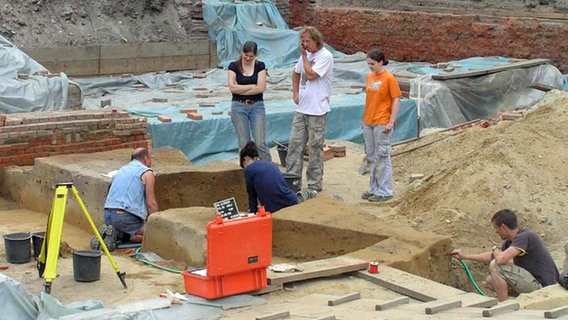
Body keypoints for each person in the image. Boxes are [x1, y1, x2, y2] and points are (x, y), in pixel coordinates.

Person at [450, 209, 559, 301]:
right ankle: (514, 301)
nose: (496, 232)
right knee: (490, 281)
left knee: (496, 266)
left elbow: (500, 259)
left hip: (544, 286)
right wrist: (465, 257)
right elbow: (492, 256)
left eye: (496, 228)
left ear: (503, 227)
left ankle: (504, 306)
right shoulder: (511, 242)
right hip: (533, 282)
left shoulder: (525, 236)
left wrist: (495, 248)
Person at [286, 26, 333, 194]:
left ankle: (314, 184)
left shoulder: (325, 56)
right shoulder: (304, 56)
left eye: (308, 41)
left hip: (317, 109)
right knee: (295, 145)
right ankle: (292, 181)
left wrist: (305, 57)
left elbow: (312, 74)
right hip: (302, 108)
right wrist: (296, 91)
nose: (305, 44)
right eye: (303, 41)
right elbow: (296, 72)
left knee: (315, 148)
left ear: (316, 40)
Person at [91, 147, 158, 251]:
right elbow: (151, 204)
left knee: (131, 230)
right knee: (154, 235)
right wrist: (156, 223)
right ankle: (122, 236)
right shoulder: (147, 173)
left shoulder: (121, 170)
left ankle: (114, 235)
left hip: (108, 214)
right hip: (125, 216)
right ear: (145, 159)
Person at [361, 49, 401, 203]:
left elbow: (396, 99)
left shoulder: (389, 78)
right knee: (371, 156)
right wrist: (364, 119)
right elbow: (370, 99)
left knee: (382, 156)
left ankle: (385, 191)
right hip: (369, 121)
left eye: (372, 64)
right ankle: (374, 189)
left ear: (381, 62)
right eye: (368, 64)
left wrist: (391, 121)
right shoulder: (370, 77)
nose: (370, 66)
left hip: (382, 122)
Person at [228, 40, 272, 162]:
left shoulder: (260, 66)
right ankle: (246, 171)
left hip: (257, 106)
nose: (248, 58)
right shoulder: (233, 66)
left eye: (251, 56)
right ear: (242, 53)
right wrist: (253, 86)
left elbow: (261, 88)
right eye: (246, 55)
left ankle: (268, 170)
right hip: (238, 106)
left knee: (260, 142)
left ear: (255, 56)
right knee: (243, 143)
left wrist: (240, 88)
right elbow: (232, 88)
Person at [240, 141, 298, 214]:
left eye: (244, 165)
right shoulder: (271, 164)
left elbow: (252, 197)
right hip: (291, 200)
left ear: (246, 158)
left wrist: (252, 214)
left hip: (274, 208)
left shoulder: (248, 170)